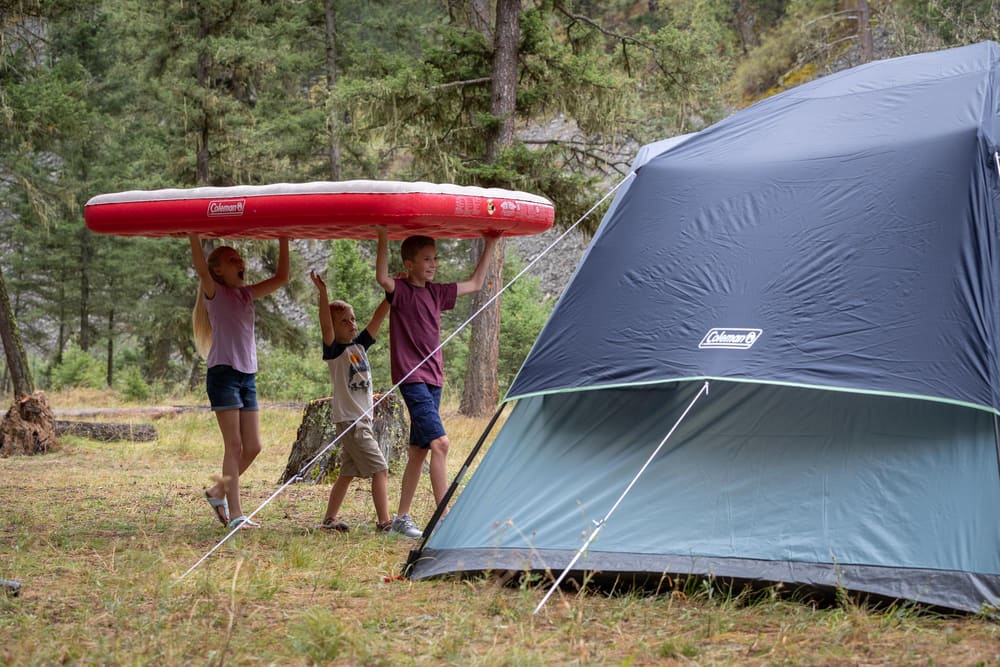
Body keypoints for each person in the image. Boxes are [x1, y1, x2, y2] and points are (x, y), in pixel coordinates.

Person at [375, 226, 499, 538]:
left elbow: (475, 283)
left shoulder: (437, 292)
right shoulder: (400, 292)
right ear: (409, 264)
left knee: (419, 450)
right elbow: (381, 278)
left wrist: (490, 244)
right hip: (411, 378)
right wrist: (381, 236)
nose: (433, 264)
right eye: (427, 259)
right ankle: (444, 521)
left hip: (434, 379)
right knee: (440, 444)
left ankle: (401, 519)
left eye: (435, 258)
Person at [190, 233, 290, 530]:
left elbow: (282, 277)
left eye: (240, 259)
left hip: (247, 376)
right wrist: (193, 233)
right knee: (233, 446)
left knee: (254, 446)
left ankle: (217, 491)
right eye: (232, 260)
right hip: (223, 375)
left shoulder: (246, 294)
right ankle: (236, 515)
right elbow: (199, 266)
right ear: (218, 270)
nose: (240, 262)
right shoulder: (214, 292)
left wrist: (284, 236)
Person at [309, 270, 393, 533]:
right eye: (344, 321)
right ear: (334, 328)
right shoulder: (335, 351)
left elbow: (378, 318)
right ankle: (385, 522)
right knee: (380, 469)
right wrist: (323, 294)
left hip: (361, 421)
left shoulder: (359, 346)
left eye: (353, 319)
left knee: (347, 473)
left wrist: (391, 295)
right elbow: (324, 323)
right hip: (352, 423)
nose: (352, 324)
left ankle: (329, 519)